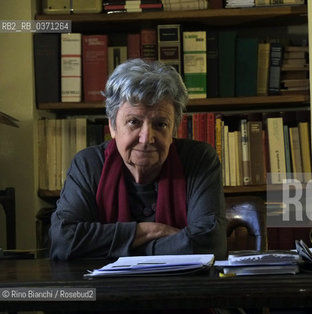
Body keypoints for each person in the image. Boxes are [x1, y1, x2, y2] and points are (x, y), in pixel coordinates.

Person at [49, 58, 227, 261]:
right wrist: (152, 231)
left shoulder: (198, 160)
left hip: (183, 289)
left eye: (160, 124)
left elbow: (211, 243)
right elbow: (62, 242)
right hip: (104, 292)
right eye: (134, 122)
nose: (147, 138)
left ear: (174, 130)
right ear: (113, 126)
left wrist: (118, 249)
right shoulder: (89, 164)